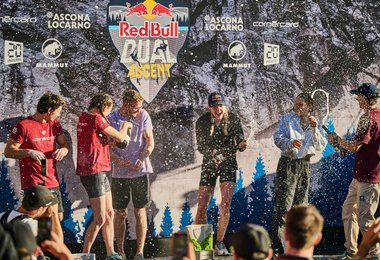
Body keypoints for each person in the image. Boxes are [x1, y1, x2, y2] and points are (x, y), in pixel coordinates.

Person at [327, 83, 380, 258]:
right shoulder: (377, 115)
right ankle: (351, 253)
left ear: (365, 97)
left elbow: (354, 147)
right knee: (349, 211)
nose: (356, 98)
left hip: (369, 177)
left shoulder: (367, 118)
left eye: (358, 95)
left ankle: (374, 255)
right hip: (361, 176)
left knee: (365, 220)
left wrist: (336, 139)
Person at [76, 93, 132, 260]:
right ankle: (84, 255)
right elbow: (121, 137)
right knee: (100, 218)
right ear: (103, 106)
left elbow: (93, 140)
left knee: (109, 213)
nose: (108, 113)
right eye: (109, 109)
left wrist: (109, 143)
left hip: (97, 169)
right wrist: (126, 126)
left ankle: (111, 253)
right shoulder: (97, 118)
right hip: (94, 171)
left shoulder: (84, 117)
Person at [272, 92, 326, 255]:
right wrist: (290, 142)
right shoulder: (287, 118)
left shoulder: (313, 122)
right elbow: (277, 138)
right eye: (296, 104)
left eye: (301, 104)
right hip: (288, 164)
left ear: (309, 106)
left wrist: (316, 128)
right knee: (284, 206)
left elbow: (321, 146)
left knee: (302, 207)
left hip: (304, 165)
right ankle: (279, 248)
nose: (298, 107)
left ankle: (299, 247)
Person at [195, 91, 248, 256]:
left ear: (224, 105)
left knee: (225, 204)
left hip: (229, 162)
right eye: (214, 106)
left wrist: (242, 144)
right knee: (202, 205)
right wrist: (213, 155)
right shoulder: (202, 121)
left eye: (220, 105)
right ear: (209, 107)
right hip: (210, 163)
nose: (218, 109)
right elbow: (201, 146)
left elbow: (240, 139)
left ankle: (219, 242)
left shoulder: (233, 119)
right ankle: (202, 246)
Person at [4, 91, 68, 222]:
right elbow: (9, 151)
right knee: (38, 217)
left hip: (51, 178)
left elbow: (64, 144)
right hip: (33, 181)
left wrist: (63, 150)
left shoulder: (55, 124)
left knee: (57, 217)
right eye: (58, 111)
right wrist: (29, 152)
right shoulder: (24, 125)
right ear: (49, 110)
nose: (59, 114)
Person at [108, 89, 154, 260]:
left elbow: (150, 142)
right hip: (119, 173)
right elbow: (106, 148)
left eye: (140, 107)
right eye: (135, 108)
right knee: (120, 212)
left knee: (140, 210)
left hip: (139, 171)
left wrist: (142, 157)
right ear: (125, 104)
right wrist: (119, 161)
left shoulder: (143, 115)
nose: (137, 111)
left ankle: (139, 252)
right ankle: (120, 251)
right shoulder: (112, 118)